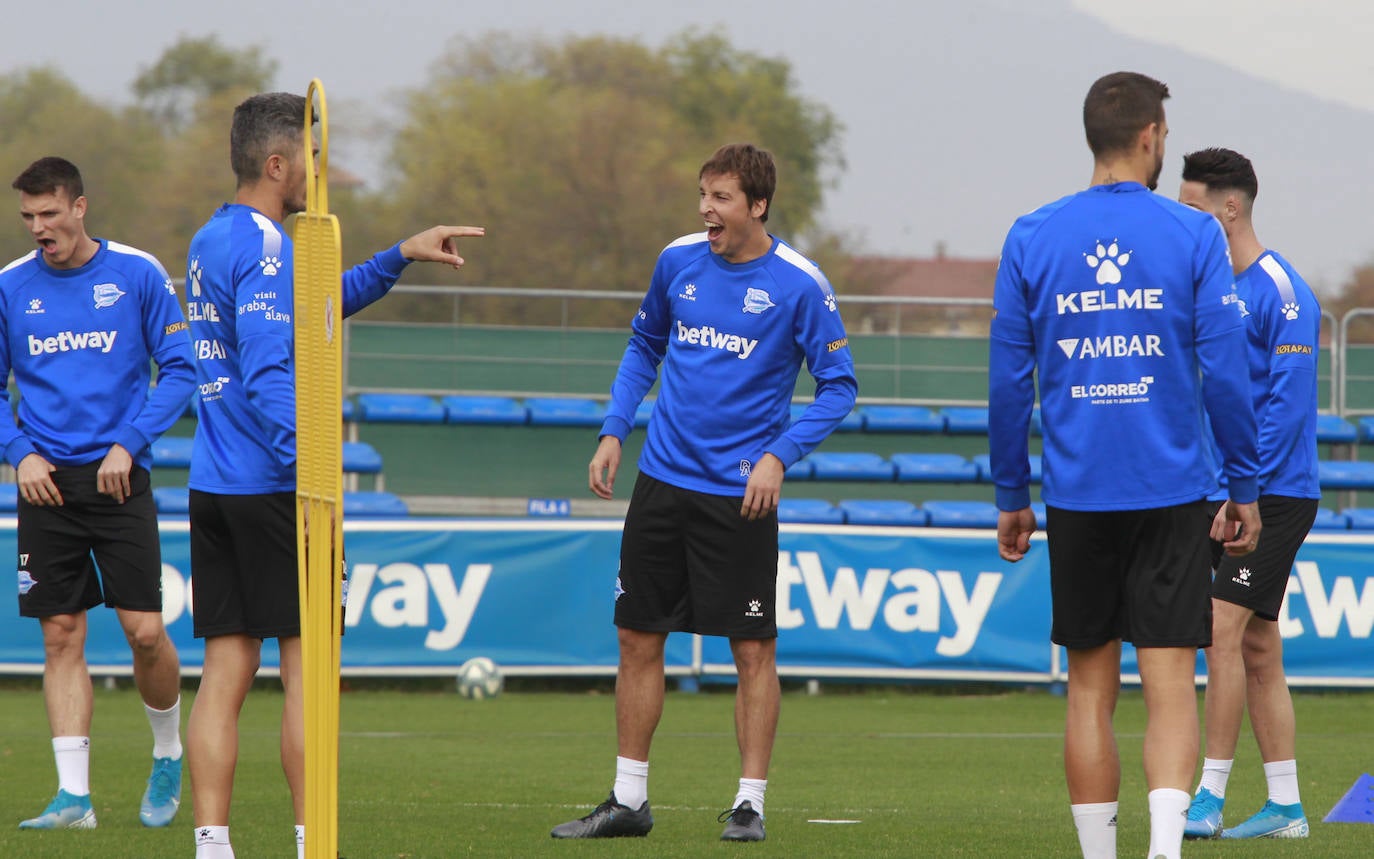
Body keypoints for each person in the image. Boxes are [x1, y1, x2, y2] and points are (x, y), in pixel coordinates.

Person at [183, 91, 484, 859]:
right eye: (314, 155)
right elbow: (269, 366)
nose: (322, 169)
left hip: (215, 482)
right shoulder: (268, 245)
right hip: (276, 485)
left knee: (224, 668)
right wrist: (306, 463)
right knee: (307, 671)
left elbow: (309, 308)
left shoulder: (213, 237)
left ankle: (212, 845)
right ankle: (311, 840)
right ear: (279, 164)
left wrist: (398, 256)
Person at [987, 72, 1263, 859]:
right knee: (1172, 680)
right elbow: (1227, 371)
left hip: (1078, 492)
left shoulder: (1032, 235)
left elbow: (1009, 381)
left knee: (1088, 688)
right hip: (1174, 488)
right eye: (1165, 135)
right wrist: (1242, 486)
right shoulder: (1194, 234)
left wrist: (1013, 491)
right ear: (1149, 137)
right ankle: (1166, 851)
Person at [552, 142, 857, 844]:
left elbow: (840, 386)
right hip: (662, 481)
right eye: (702, 194)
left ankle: (749, 802)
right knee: (636, 635)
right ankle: (629, 799)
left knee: (751, 648)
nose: (705, 210)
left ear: (757, 205)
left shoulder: (799, 284)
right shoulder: (677, 260)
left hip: (739, 497)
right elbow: (643, 346)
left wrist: (780, 455)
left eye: (720, 198)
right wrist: (613, 429)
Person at [2, 156, 194, 830]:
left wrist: (131, 441)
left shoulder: (137, 273)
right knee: (60, 635)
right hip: (43, 482)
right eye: (28, 217)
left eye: (49, 214)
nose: (38, 228)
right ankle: (73, 797)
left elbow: (179, 368)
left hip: (118, 476)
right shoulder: (9, 287)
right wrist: (18, 452)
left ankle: (168, 749)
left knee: (144, 632)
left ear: (80, 207)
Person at [1176, 148, 1319, 841]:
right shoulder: (1202, 287)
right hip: (1225, 491)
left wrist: (1245, 491)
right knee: (1259, 646)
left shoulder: (1283, 291)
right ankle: (1287, 807)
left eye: (1191, 207)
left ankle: (1207, 795)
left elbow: (1285, 412)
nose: (1181, 219)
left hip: (1275, 492)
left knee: (1219, 629)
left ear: (1228, 209)